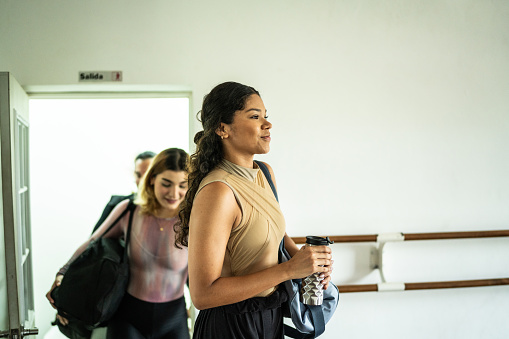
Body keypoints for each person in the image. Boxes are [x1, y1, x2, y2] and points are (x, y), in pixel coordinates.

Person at [174, 82, 334, 338]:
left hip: (268, 316)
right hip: (229, 325)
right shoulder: (218, 191)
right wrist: (290, 271)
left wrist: (309, 264)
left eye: (265, 116)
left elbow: (275, 236)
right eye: (254, 116)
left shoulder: (265, 173)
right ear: (222, 128)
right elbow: (203, 295)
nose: (267, 124)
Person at [47, 148, 191, 339]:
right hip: (128, 317)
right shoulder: (129, 211)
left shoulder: (193, 220)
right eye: (166, 183)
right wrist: (62, 273)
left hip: (173, 319)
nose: (175, 193)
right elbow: (92, 243)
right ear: (152, 179)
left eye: (182, 185)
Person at [92, 150, 156, 233]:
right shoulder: (118, 205)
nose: (142, 181)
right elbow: (93, 241)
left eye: (147, 175)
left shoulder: (171, 209)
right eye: (138, 175)